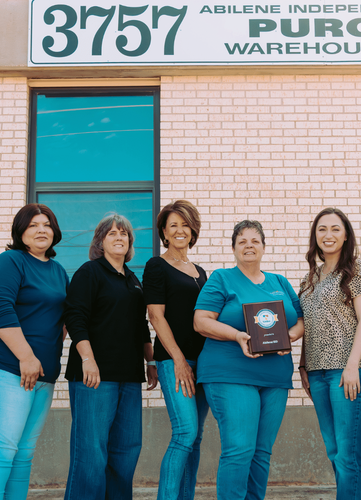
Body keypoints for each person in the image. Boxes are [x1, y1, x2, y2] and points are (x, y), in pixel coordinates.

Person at [193, 220, 305, 500]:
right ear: (233, 248)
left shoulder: (279, 282)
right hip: (230, 373)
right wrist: (237, 336)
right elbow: (201, 321)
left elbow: (301, 318)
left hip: (275, 377)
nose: (249, 246)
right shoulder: (221, 278)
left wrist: (289, 335)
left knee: (261, 451)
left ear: (264, 247)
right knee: (240, 449)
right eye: (242, 241)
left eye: (255, 241)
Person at [0, 203, 69, 500]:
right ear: (21, 233)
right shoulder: (11, 261)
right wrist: (26, 356)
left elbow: (62, 321)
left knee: (23, 454)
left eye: (47, 225)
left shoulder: (58, 271)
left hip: (43, 375)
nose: (41, 230)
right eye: (33, 225)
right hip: (3, 368)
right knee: (0, 452)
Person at [64, 213, 158, 500]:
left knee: (126, 451)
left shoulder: (133, 279)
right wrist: (88, 360)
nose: (119, 237)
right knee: (91, 453)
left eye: (124, 234)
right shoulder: (89, 272)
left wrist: (150, 361)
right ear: (100, 241)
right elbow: (75, 317)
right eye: (112, 233)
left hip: (129, 377)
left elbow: (141, 325)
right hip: (95, 376)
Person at [296, 208, 361, 500]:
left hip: (352, 370)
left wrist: (352, 365)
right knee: (333, 449)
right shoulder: (310, 277)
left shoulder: (358, 268)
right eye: (322, 229)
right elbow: (308, 324)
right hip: (318, 373)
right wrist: (303, 365)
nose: (328, 235)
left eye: (335, 229)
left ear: (346, 235)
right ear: (315, 236)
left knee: (347, 452)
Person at [144, 201, 209, 500]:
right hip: (175, 361)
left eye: (185, 224)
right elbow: (156, 316)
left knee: (194, 439)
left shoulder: (200, 271)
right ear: (164, 233)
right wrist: (179, 360)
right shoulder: (156, 266)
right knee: (184, 433)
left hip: (204, 364)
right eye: (173, 225)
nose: (180, 230)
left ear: (193, 229)